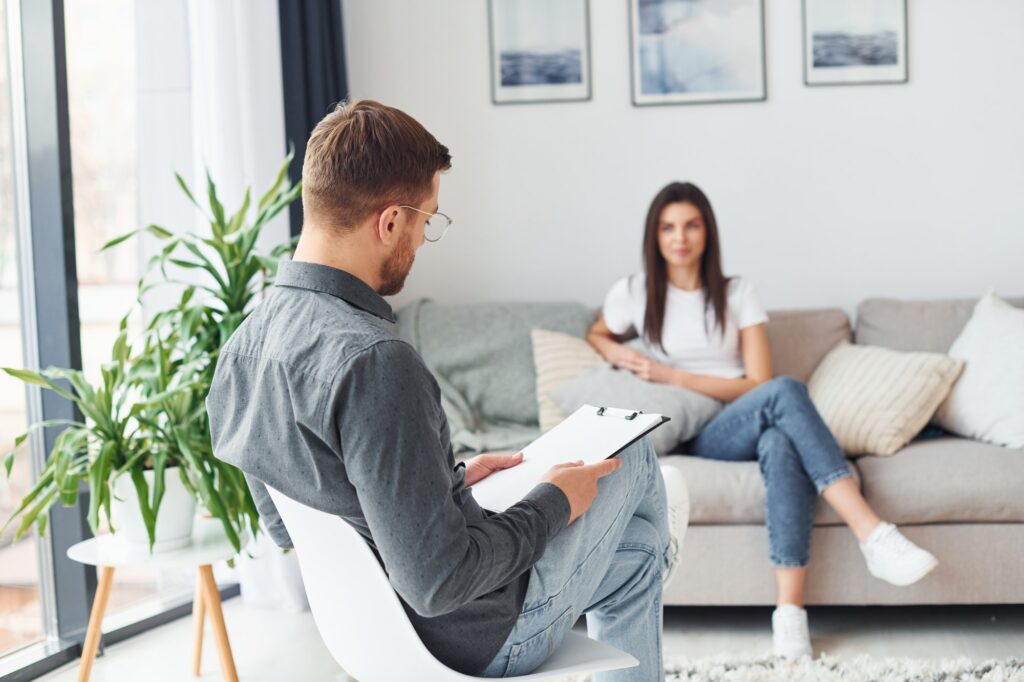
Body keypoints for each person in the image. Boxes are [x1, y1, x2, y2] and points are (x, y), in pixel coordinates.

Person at [206, 100, 674, 680]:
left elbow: (294, 523)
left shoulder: (243, 348)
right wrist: (554, 502)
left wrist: (438, 484)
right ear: (390, 221)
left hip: (368, 632)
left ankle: (661, 555)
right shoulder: (376, 361)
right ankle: (670, 551)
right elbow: (441, 582)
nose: (426, 238)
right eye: (429, 220)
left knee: (640, 553)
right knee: (630, 452)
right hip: (473, 636)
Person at [586, 181, 939, 659]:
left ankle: (790, 615)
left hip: (742, 417)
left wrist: (675, 375)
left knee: (780, 436)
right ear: (655, 235)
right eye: (668, 227)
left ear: (707, 231)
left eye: (691, 225)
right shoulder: (633, 292)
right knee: (787, 394)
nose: (680, 237)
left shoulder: (737, 293)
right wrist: (619, 354)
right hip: (700, 433)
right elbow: (597, 333)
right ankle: (873, 534)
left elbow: (759, 381)